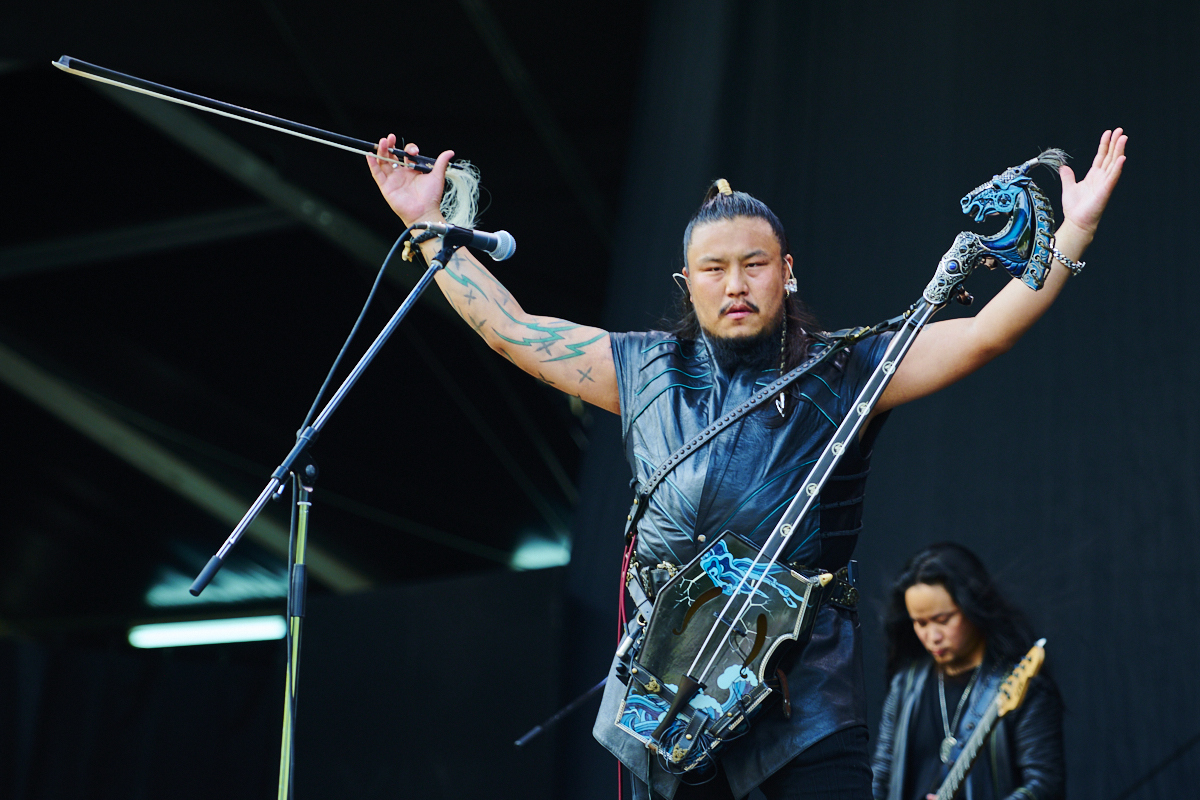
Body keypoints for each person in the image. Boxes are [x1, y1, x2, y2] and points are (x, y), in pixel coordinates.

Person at [366, 130, 1125, 800]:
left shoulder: (850, 369)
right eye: (714, 269)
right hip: (670, 693)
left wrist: (1076, 230)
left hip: (809, 700)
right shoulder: (640, 369)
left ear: (786, 270)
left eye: (754, 264)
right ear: (685, 283)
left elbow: (986, 333)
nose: (735, 284)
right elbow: (514, 332)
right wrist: (425, 224)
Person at [872, 543, 1064, 800]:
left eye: (943, 620)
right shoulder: (905, 685)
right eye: (920, 623)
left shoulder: (1021, 685)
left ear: (972, 605)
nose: (932, 636)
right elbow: (881, 777)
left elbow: (1045, 787)